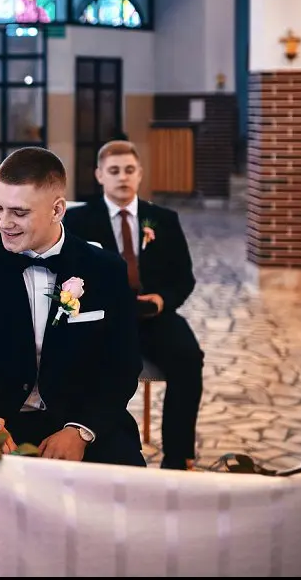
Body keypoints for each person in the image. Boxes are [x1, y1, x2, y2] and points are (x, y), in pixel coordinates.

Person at [0, 146, 145, 467]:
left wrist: (81, 431)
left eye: (19, 212)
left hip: (81, 420)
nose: (4, 221)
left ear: (57, 210)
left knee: (128, 495)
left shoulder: (105, 269)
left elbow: (123, 365)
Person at [63, 140, 202, 470]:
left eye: (129, 170)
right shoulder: (79, 220)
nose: (122, 178)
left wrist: (163, 299)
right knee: (81, 364)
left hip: (152, 316)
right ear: (100, 175)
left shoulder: (163, 219)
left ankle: (178, 455)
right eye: (114, 171)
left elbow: (184, 277)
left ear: (139, 174)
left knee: (188, 358)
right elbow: (68, 274)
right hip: (104, 318)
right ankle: (95, 440)